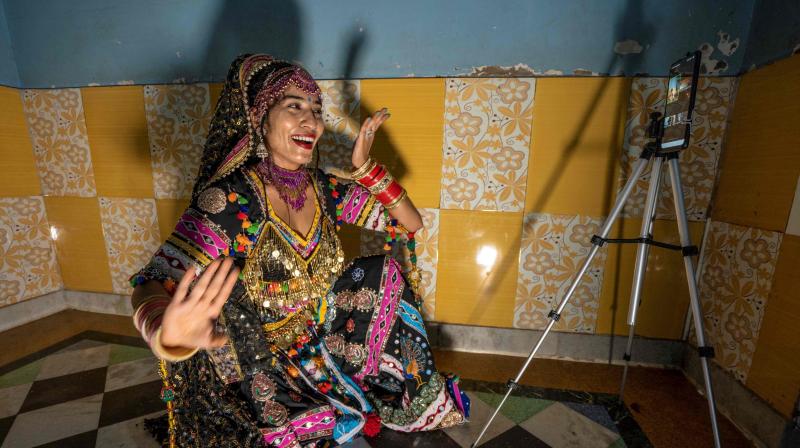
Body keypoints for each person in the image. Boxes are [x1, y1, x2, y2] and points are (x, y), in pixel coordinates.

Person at [130, 54, 469, 447]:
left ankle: (396, 397)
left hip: (319, 334)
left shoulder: (323, 189)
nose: (312, 121)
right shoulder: (230, 201)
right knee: (306, 425)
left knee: (382, 272)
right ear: (261, 117)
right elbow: (151, 281)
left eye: (317, 109)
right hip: (258, 354)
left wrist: (365, 169)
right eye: (295, 106)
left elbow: (409, 222)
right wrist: (166, 336)